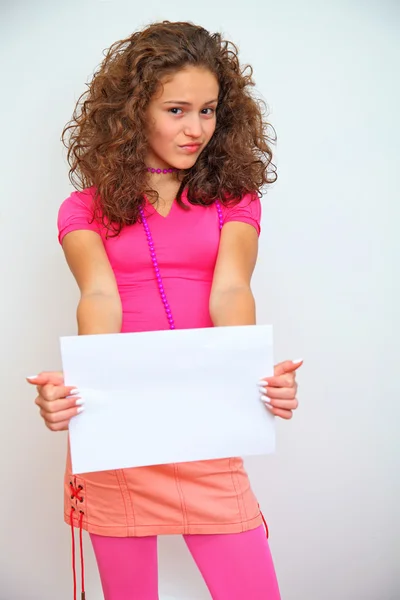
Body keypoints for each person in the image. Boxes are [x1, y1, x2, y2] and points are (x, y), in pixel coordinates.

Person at [27, 21, 302, 600]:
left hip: (206, 419)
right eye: (177, 109)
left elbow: (231, 292)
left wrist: (253, 378)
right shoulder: (84, 209)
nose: (196, 128)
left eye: (208, 110)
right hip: (118, 429)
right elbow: (98, 298)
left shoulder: (235, 202)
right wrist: (79, 393)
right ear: (133, 112)